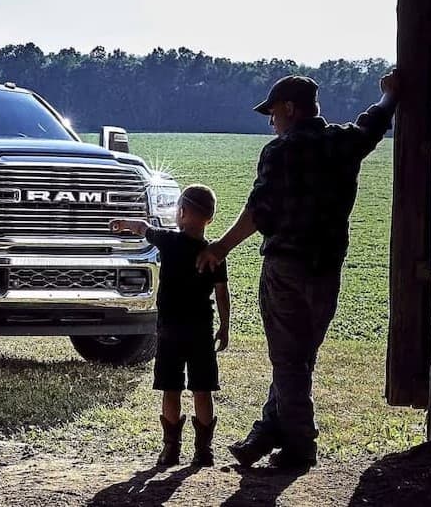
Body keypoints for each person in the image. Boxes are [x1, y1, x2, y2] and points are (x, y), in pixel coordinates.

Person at [196, 70, 400, 469]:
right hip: (327, 268)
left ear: (290, 109)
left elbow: (259, 209)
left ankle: (300, 447)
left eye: (272, 113)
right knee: (300, 357)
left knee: (288, 361)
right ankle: (265, 433)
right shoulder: (343, 143)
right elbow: (373, 123)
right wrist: (390, 96)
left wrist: (220, 247)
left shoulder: (280, 151)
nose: (271, 122)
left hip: (285, 266)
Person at [111, 184, 230, 466]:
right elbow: (222, 293)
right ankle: (204, 451)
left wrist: (122, 223)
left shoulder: (169, 241)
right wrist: (225, 326)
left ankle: (170, 449)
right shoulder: (214, 253)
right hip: (201, 329)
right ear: (210, 218)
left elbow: (142, 227)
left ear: (182, 212)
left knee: (171, 387)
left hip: (170, 329)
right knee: (202, 389)